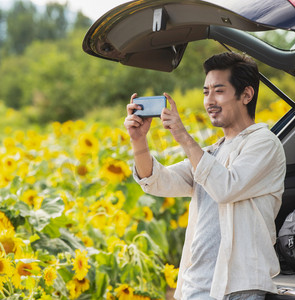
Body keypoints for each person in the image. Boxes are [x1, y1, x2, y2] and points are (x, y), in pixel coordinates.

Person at [123, 52, 286, 300]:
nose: (209, 100)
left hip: (238, 288)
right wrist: (138, 141)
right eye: (205, 92)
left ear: (246, 95)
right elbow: (157, 181)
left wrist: (183, 137)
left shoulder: (264, 143)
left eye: (218, 91)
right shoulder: (212, 151)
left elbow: (226, 188)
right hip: (195, 286)